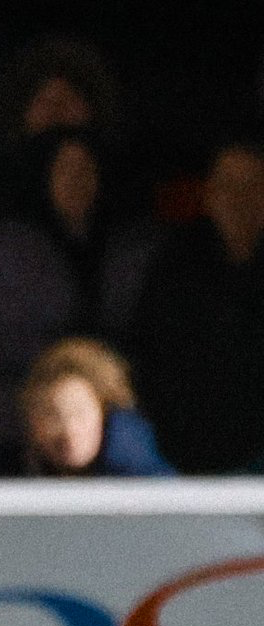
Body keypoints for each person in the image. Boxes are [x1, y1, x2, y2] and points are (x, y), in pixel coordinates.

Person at [0, 130, 157, 470]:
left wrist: (98, 381)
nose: (75, 181)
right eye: (65, 170)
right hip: (11, 418)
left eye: (85, 170)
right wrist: (54, 369)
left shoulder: (131, 243)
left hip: (116, 415)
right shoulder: (2, 247)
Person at [131, 139, 264, 474]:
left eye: (251, 186)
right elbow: (149, 352)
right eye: (227, 186)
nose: (238, 199)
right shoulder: (174, 262)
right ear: (209, 194)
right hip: (186, 453)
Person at [18, 337, 172, 477]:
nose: (69, 430)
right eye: (52, 416)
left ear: (104, 413)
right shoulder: (30, 477)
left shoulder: (144, 482)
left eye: (80, 413)